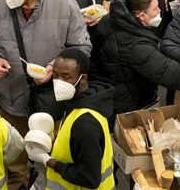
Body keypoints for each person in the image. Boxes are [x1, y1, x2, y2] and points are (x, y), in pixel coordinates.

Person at [0, 0, 90, 188]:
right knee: (15, 165)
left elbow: (82, 47)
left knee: (49, 160)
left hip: (51, 103)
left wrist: (54, 67)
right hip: (11, 99)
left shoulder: (65, 4)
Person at [27, 47, 116, 189]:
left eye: (66, 76)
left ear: (83, 78)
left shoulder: (85, 123)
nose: (58, 82)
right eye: (55, 75)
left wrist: (48, 160)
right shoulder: (81, 103)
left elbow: (89, 179)